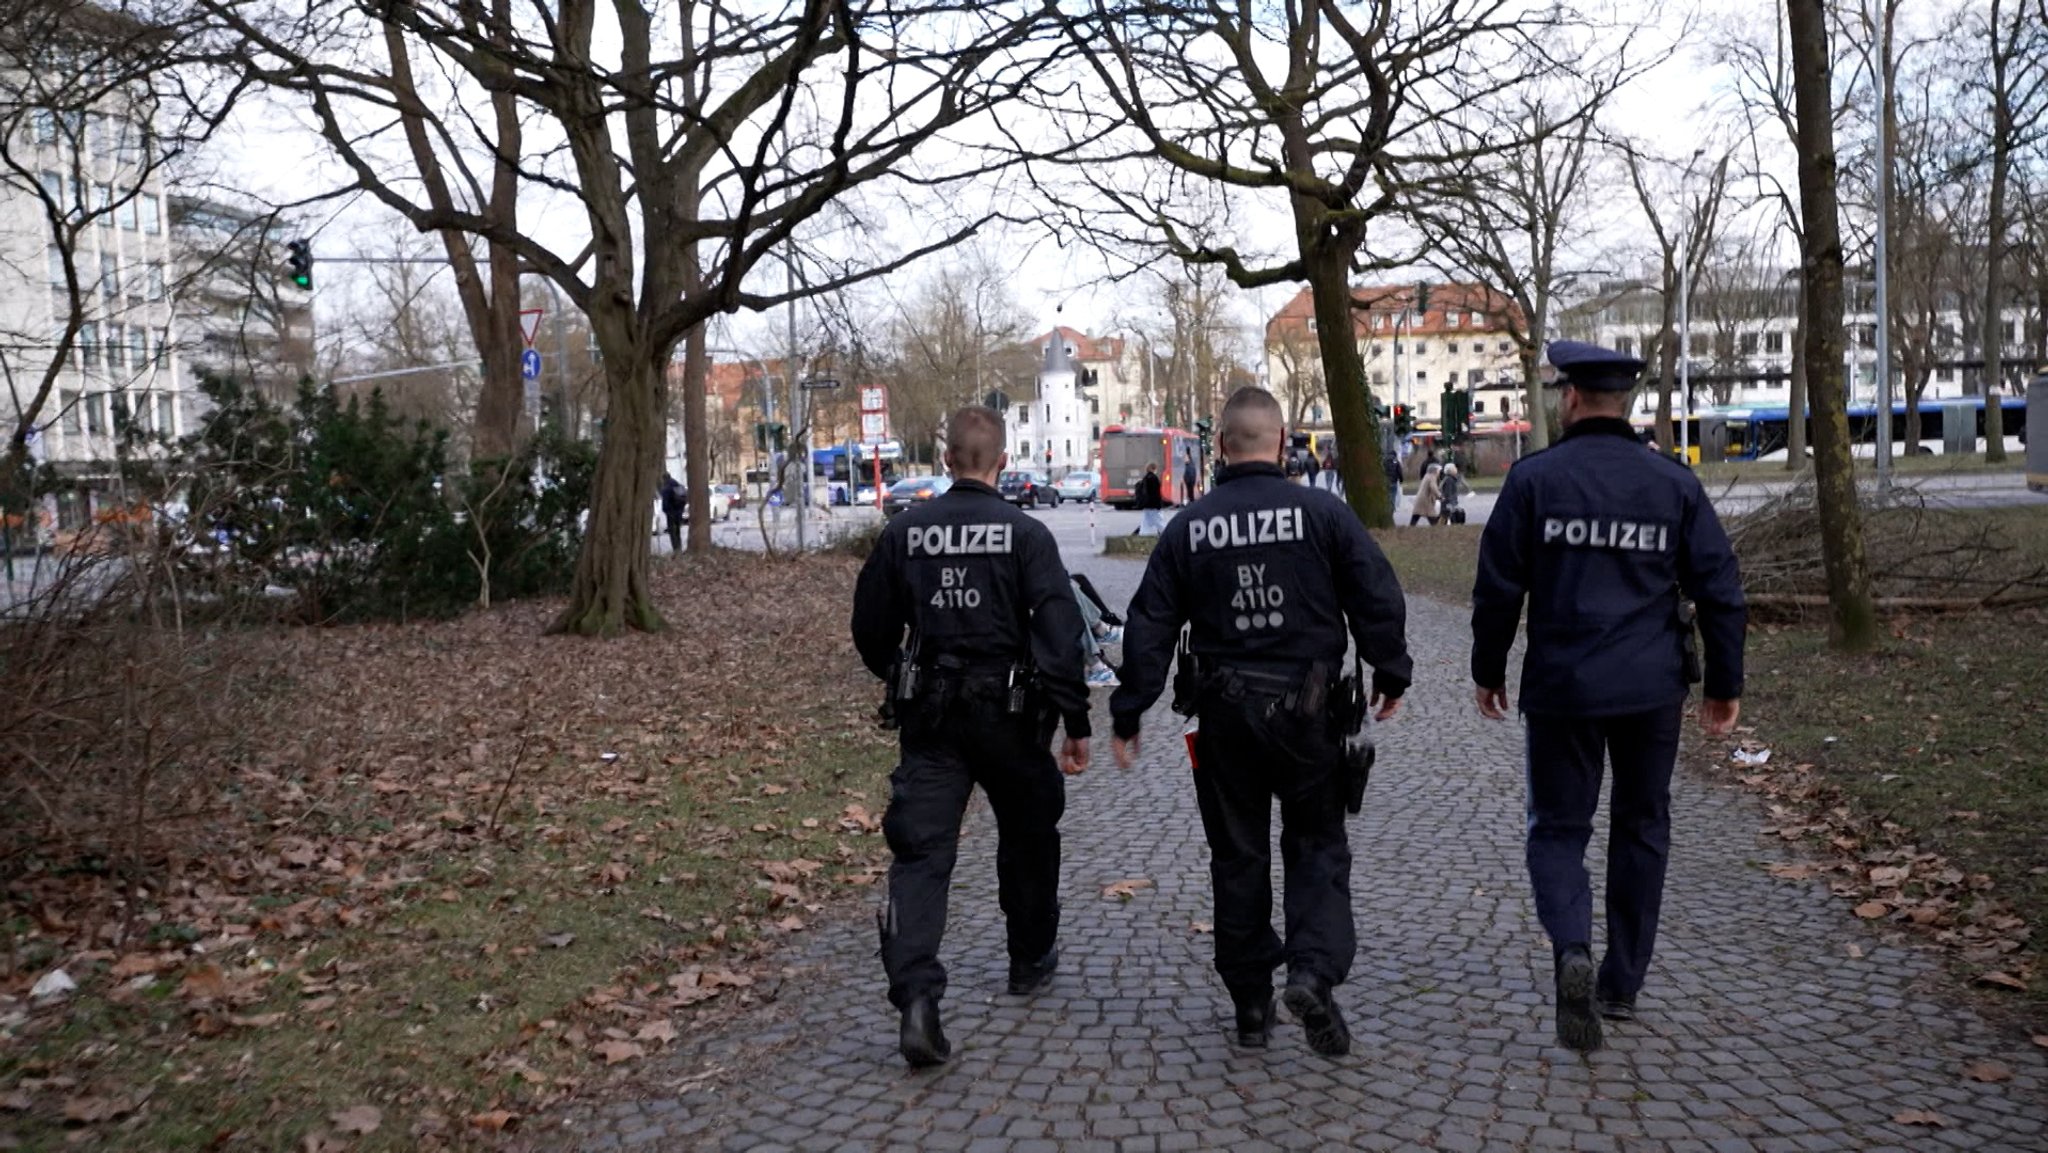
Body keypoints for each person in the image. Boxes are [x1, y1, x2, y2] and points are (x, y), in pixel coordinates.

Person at [1110, 386, 1411, 1056]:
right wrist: (1392, 671)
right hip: (1309, 718)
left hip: (1224, 721)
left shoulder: (1190, 527)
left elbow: (1151, 622)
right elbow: (1376, 594)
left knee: (1237, 856)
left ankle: (1251, 1004)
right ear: (1282, 443)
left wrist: (1128, 709)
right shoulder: (1323, 514)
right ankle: (1311, 970)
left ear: (1219, 447)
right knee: (1317, 847)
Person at [1470, 338, 1746, 1053]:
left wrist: (1488, 667)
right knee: (1642, 824)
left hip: (1564, 685)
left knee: (1559, 828)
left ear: (1569, 398)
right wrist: (1725, 683)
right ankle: (1622, 982)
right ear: (1625, 402)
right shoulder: (1671, 483)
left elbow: (1499, 585)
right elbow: (1721, 588)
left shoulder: (1535, 480)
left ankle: (1571, 949)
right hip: (1652, 687)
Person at [850, 406, 1093, 1069]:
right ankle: (1029, 957)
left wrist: (898, 673)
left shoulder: (905, 531)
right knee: (1029, 834)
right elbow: (1060, 635)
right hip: (1012, 717)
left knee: (921, 852)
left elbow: (870, 624)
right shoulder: (1027, 534)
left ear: (946, 457)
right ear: (1001, 462)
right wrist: (1076, 723)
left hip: (931, 715)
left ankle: (917, 1000)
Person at [1133, 461, 1166, 537]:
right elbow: (1155, 494)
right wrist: (1159, 505)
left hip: (1147, 505)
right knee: (1159, 522)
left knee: (1146, 523)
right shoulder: (1153, 478)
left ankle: (1142, 535)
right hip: (1153, 505)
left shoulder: (1145, 478)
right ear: (1154, 469)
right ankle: (1167, 535)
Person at [658, 472, 686, 555]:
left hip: (671, 514)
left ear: (664, 479)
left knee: (672, 533)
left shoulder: (666, 489)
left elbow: (665, 505)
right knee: (677, 531)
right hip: (679, 513)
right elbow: (684, 500)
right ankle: (679, 548)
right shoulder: (678, 486)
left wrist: (668, 512)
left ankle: (676, 550)